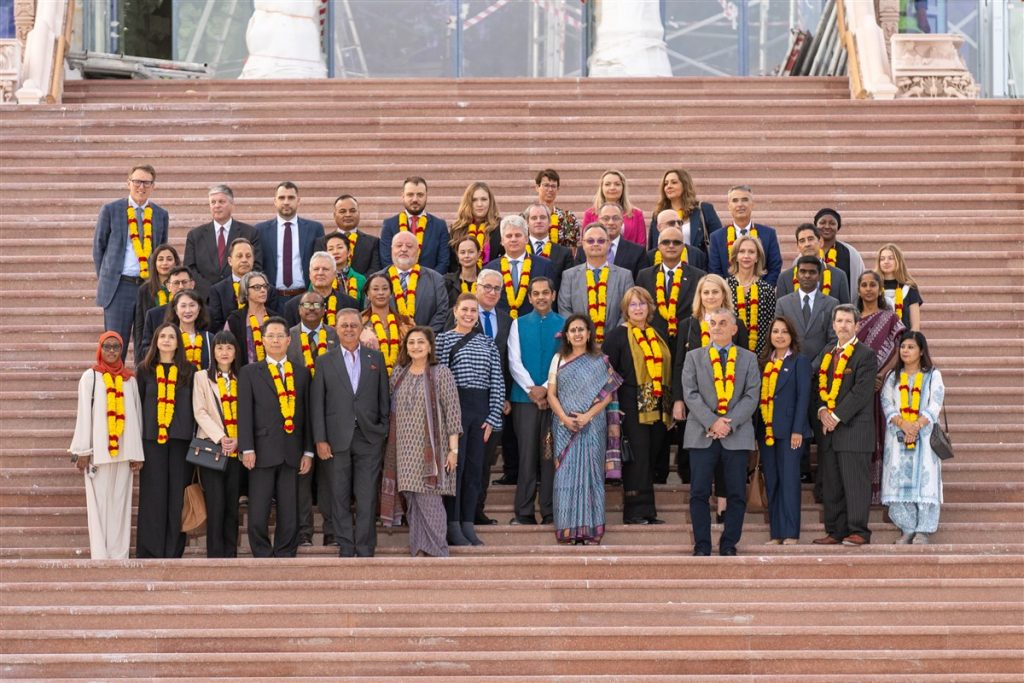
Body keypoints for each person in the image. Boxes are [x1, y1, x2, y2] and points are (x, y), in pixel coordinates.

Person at [681, 308, 760, 556]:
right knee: (699, 493)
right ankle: (702, 545)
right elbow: (690, 394)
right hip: (702, 434)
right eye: (712, 323)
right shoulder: (693, 357)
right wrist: (712, 422)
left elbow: (751, 395)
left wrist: (729, 423)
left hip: (736, 435)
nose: (717, 327)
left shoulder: (748, 358)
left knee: (736, 493)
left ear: (734, 329)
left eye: (723, 323)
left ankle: (729, 543)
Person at [311, 308, 391, 558]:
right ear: (336, 328)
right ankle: (346, 546)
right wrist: (320, 439)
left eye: (353, 325)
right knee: (339, 495)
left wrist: (381, 430)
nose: (348, 329)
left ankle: (366, 547)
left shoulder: (375, 358)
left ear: (361, 327)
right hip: (336, 440)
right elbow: (318, 404)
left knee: (367, 496)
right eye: (343, 325)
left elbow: (384, 400)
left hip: (369, 438)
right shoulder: (325, 360)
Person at [380, 327, 463, 557]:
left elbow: (453, 413)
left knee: (430, 502)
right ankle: (419, 549)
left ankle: (438, 551)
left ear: (429, 347)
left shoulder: (441, 373)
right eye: (411, 343)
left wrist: (453, 450)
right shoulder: (398, 374)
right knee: (413, 503)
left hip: (433, 452)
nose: (415, 346)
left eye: (420, 342)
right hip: (403, 450)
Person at [238, 317, 314, 558]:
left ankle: (285, 550)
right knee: (258, 508)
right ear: (263, 340)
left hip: (292, 451)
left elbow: (308, 415)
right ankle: (260, 551)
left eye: (280, 336)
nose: (275, 340)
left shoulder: (301, 374)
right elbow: (245, 413)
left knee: (289, 508)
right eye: (270, 336)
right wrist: (247, 448)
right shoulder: (250, 372)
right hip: (261, 450)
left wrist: (308, 451)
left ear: (289, 339)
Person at [636, 225, 705, 483]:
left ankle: (687, 471)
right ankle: (657, 472)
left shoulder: (697, 275)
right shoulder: (645, 275)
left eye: (677, 242)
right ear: (658, 246)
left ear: (684, 246)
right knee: (657, 412)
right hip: (654, 352)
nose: (671, 246)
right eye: (666, 242)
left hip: (687, 348)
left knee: (687, 407)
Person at [547, 314, 623, 545]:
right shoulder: (558, 359)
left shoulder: (600, 360)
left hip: (593, 425)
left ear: (589, 333)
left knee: (592, 477)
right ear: (567, 335)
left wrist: (587, 416)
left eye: (581, 329)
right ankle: (568, 530)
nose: (578, 334)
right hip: (564, 426)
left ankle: (591, 531)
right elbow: (551, 393)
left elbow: (608, 394)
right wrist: (564, 418)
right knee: (565, 478)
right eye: (573, 330)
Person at [436, 295, 505, 544]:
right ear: (455, 311)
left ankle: (467, 523)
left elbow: (497, 380)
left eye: (473, 310)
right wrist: (445, 418)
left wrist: (493, 416)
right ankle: (452, 524)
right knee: (456, 469)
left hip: (481, 411)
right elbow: (439, 380)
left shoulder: (488, 343)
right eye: (464, 309)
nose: (468, 314)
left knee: (475, 470)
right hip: (455, 408)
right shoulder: (443, 340)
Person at [69, 332, 144, 559]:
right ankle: (100, 555)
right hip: (98, 452)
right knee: (99, 505)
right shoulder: (90, 377)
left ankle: (119, 554)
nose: (111, 351)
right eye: (107, 346)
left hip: (125, 451)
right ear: (100, 349)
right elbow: (84, 414)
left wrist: (137, 453)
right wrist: (82, 450)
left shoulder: (129, 380)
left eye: (116, 347)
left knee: (121, 505)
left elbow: (136, 416)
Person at [670, 275, 750, 485]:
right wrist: (678, 399)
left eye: (715, 291)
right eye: (706, 292)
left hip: (729, 402)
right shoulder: (688, 325)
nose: (710, 296)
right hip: (696, 401)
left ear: (724, 294)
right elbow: (679, 362)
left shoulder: (736, 324)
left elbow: (744, 362)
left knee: (727, 457)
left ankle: (723, 502)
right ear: (699, 296)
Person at [603, 287, 672, 525]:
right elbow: (606, 373)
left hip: (656, 402)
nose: (638, 308)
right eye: (633, 304)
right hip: (629, 404)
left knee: (651, 454)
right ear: (625, 309)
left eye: (642, 303)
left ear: (650, 307)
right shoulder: (616, 336)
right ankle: (634, 511)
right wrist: (614, 406)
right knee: (637, 456)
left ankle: (649, 510)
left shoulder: (657, 333)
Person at [812, 304, 878, 546]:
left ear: (857, 326)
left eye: (848, 321)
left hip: (853, 431)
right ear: (833, 325)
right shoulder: (827, 352)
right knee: (832, 485)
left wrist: (835, 417)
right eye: (839, 321)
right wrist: (821, 411)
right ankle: (835, 531)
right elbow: (817, 385)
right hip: (828, 432)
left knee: (855, 484)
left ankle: (859, 531)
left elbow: (861, 393)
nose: (843, 325)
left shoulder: (866, 355)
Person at [93, 164, 170, 360]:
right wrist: (108, 279)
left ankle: (142, 389)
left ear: (153, 186)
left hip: (148, 287)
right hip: (120, 287)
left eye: (146, 182)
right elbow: (99, 248)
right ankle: (112, 388)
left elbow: (162, 249)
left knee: (147, 346)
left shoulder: (160, 215)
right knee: (114, 345)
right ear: (128, 183)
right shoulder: (111, 210)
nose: (141, 187)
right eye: (137, 181)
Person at [135, 322, 195, 558]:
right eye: (163, 336)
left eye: (172, 336)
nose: (168, 340)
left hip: (181, 440)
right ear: (156, 341)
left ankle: (173, 550)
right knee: (153, 494)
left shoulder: (189, 371)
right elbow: (137, 406)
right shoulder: (145, 370)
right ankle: (151, 549)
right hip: (152, 440)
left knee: (176, 496)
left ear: (178, 342)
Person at [507, 277, 564, 527]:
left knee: (550, 456)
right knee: (527, 455)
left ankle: (550, 510)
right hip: (525, 399)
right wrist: (534, 389)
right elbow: (513, 360)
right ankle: (524, 511)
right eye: (535, 293)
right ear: (529, 298)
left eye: (545, 292)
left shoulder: (564, 324)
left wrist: (547, 389)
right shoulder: (518, 324)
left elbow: (566, 360)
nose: (540, 297)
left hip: (557, 400)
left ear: (553, 295)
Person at [286, 290, 340, 547]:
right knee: (301, 476)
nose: (310, 308)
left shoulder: (335, 335)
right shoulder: (288, 337)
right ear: (298, 309)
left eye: (316, 304)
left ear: (324, 308)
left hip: (331, 414)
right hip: (296, 415)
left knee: (330, 477)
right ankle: (304, 531)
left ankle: (332, 530)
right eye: (305, 304)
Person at [881, 331, 944, 544]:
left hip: (924, 438)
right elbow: (887, 403)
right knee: (898, 481)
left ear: (921, 351)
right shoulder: (892, 376)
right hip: (898, 436)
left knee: (924, 482)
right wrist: (904, 424)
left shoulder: (933, 375)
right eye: (903, 347)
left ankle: (923, 531)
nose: (905, 351)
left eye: (911, 347)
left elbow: (935, 403)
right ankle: (907, 528)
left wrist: (916, 425)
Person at [757, 317, 811, 545]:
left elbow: (803, 397)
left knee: (789, 481)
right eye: (775, 331)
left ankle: (791, 533)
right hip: (766, 431)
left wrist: (798, 429)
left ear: (792, 335)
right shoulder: (763, 362)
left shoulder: (799, 361)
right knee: (773, 481)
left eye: (784, 332)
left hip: (791, 432)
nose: (779, 336)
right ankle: (777, 533)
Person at [855, 270, 907, 504]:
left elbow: (899, 350)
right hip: (856, 388)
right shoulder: (853, 319)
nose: (868, 289)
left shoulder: (889, 318)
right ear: (858, 290)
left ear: (879, 289)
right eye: (864, 285)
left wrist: (882, 375)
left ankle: (884, 490)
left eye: (872, 285)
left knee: (883, 433)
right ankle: (864, 489)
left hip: (882, 386)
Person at [191, 330, 244, 558]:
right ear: (213, 351)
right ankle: (215, 554)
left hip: (235, 450)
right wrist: (221, 437)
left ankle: (230, 552)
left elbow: (248, 412)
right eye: (220, 347)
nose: (224, 352)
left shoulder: (243, 377)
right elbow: (200, 411)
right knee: (215, 502)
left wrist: (238, 439)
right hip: (212, 448)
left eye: (229, 348)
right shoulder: (201, 377)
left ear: (235, 352)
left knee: (232, 503)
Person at [558, 224, 634, 344]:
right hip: (579, 344)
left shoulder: (624, 276)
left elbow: (627, 310)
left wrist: (612, 338)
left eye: (601, 240)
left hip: (616, 343)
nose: (595, 244)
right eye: (590, 240)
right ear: (583, 244)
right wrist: (581, 336)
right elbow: (564, 309)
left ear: (608, 244)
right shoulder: (569, 276)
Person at [184, 184, 262, 298]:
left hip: (239, 296)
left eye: (221, 202)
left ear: (232, 205)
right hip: (206, 298)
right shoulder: (195, 235)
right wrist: (211, 291)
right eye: (213, 202)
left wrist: (233, 288)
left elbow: (256, 266)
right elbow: (189, 268)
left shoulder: (250, 233)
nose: (217, 206)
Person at [254, 181, 323, 297]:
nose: (286, 202)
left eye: (291, 198)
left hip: (305, 297)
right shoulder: (260, 230)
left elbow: (321, 261)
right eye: (281, 198)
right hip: (271, 298)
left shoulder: (314, 229)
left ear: (298, 201)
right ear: (275, 201)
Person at [483, 215, 556, 319]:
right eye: (509, 236)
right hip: (501, 327)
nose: (513, 239)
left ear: (526, 238)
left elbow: (551, 302)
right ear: (502, 241)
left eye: (518, 235)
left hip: (534, 324)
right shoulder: (490, 269)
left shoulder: (544, 265)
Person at [707, 185, 782, 286]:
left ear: (752, 204)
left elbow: (775, 268)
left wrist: (762, 291)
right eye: (735, 201)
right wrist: (729, 293)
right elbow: (715, 271)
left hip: (761, 296)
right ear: (728, 206)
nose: (740, 204)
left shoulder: (768, 234)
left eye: (745, 200)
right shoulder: (717, 237)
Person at [379, 230, 449, 333]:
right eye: (399, 245)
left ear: (417, 251)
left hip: (425, 343)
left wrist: (424, 336)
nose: (403, 249)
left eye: (409, 246)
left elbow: (442, 312)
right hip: (386, 341)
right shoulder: (376, 279)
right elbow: (370, 311)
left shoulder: (436, 279)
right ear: (392, 250)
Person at [207, 238, 281, 334]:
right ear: (230, 261)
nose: (244, 260)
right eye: (239, 256)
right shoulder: (217, 291)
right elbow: (216, 325)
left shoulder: (269, 290)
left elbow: (275, 322)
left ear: (253, 259)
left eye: (248, 256)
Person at [379, 176, 449, 273]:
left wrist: (430, 281)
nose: (415, 199)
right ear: (403, 196)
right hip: (397, 284)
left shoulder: (439, 226)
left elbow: (444, 261)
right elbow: (386, 259)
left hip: (430, 284)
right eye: (410, 195)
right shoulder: (389, 225)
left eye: (420, 195)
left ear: (426, 196)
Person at [776, 255, 839, 363]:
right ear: (796, 275)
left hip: (822, 368)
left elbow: (833, 340)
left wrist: (814, 366)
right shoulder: (783, 303)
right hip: (790, 366)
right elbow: (778, 336)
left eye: (812, 272)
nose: (807, 275)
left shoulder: (831, 304)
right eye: (803, 271)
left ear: (819, 275)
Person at [647, 168, 723, 254]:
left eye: (674, 182)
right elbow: (652, 247)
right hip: (665, 265)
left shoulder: (704, 209)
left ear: (685, 185)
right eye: (666, 183)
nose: (669, 186)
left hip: (697, 264)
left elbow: (719, 241)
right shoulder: (659, 214)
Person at [726, 235, 777, 357]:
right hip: (729, 353)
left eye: (751, 252)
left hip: (759, 355)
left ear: (757, 258)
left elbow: (770, 325)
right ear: (736, 257)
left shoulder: (767, 289)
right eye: (742, 251)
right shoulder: (725, 286)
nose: (746, 256)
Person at [776, 223, 851, 304]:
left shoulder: (839, 276)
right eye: (802, 241)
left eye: (810, 239)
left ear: (821, 242)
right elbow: (781, 314)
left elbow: (846, 311)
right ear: (798, 247)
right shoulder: (785, 278)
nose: (807, 244)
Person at [281, 251, 359, 328]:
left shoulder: (350, 304)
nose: (320, 273)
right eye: (316, 269)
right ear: (310, 274)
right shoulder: (292, 306)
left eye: (325, 269)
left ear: (335, 274)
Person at [360, 272, 415, 375]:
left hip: (401, 377)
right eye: (375, 289)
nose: (381, 293)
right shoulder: (358, 322)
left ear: (390, 293)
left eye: (385, 289)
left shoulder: (406, 322)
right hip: (368, 376)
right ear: (367, 294)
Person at [313, 194, 381, 276]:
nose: (348, 214)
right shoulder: (321, 242)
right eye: (342, 211)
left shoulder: (373, 242)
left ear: (359, 213)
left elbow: (374, 270)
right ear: (334, 215)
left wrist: (359, 283)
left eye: (352, 211)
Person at [575, 203, 648, 280]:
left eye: (615, 218)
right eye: (606, 218)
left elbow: (640, 285)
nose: (611, 223)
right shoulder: (583, 250)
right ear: (598, 221)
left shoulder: (637, 252)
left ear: (622, 222)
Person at [138, 266, 195, 361]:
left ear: (192, 284)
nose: (181, 287)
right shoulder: (154, 315)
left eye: (184, 282)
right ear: (168, 286)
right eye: (176, 283)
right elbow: (145, 350)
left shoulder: (202, 312)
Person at [225, 271, 281, 366]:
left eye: (265, 286)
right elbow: (227, 348)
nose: (263, 290)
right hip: (244, 372)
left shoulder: (275, 318)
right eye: (257, 287)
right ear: (246, 291)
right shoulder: (234, 319)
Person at [133, 244, 181, 355]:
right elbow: (139, 325)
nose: (165, 263)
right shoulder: (144, 290)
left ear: (176, 262)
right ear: (154, 263)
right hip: (152, 345)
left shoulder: (181, 287)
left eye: (169, 259)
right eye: (160, 259)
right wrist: (139, 354)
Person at [448, 181, 502, 272]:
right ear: (468, 202)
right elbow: (452, 264)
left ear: (490, 202)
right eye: (474, 200)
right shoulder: (457, 229)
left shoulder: (500, 227)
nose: (479, 204)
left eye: (484, 199)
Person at [582, 170, 646, 245]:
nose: (612, 188)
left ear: (623, 188)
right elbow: (585, 243)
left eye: (617, 184)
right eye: (607, 184)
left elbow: (641, 244)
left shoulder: (636, 214)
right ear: (602, 188)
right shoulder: (590, 214)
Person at [814, 208, 865, 295]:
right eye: (822, 222)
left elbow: (860, 281)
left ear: (838, 227)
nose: (827, 226)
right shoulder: (809, 252)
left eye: (832, 223)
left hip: (843, 306)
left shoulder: (850, 253)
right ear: (815, 226)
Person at [524, 202, 574, 289]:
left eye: (543, 217)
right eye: (534, 218)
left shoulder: (564, 253)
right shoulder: (519, 251)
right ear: (527, 223)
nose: (538, 221)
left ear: (550, 222)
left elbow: (568, 286)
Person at [876, 243, 922, 331]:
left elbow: (915, 327)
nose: (886, 261)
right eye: (882, 259)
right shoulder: (873, 286)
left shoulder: (910, 287)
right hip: (878, 342)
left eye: (891, 258)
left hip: (903, 340)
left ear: (898, 261)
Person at [534, 168, 580, 251]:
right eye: (546, 185)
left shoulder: (568, 218)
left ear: (558, 189)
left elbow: (572, 250)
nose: (550, 190)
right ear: (537, 187)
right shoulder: (527, 217)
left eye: (553, 186)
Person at [323, 231, 366, 308]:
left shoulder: (360, 279)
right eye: (331, 249)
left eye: (339, 247)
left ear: (349, 252)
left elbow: (364, 308)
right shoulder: (319, 277)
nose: (335, 252)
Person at [444, 235, 482, 307]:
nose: (466, 256)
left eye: (471, 252)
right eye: (462, 252)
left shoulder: (486, 282)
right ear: (457, 255)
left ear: (478, 254)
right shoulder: (447, 282)